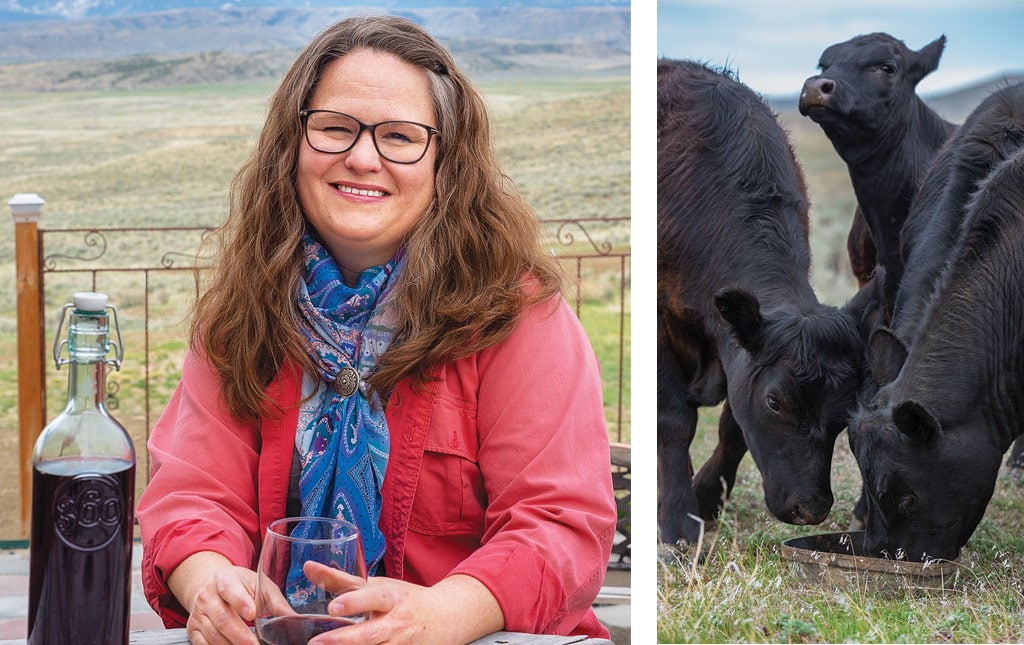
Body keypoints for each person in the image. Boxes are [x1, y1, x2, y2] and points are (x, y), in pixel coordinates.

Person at [136, 14, 618, 645]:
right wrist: (214, 584)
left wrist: (444, 613)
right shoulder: (242, 313)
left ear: (447, 160)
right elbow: (193, 495)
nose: (363, 158)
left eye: (400, 136)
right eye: (335, 129)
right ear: (293, 143)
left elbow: (558, 521)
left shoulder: (517, 317)